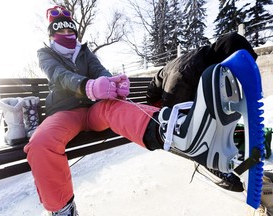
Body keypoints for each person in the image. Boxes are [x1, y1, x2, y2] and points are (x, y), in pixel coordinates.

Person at [24, 6, 250, 216]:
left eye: (68, 27)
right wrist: (88, 86)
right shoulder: (46, 53)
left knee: (115, 109)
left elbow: (99, 69)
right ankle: (62, 209)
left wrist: (112, 82)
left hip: (94, 109)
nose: (66, 32)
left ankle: (168, 130)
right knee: (41, 143)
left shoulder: (84, 51)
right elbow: (58, 75)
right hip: (64, 112)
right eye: (60, 29)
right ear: (52, 33)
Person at [146, 32, 273, 216]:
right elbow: (171, 111)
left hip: (180, 99)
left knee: (221, 125)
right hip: (157, 106)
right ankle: (223, 168)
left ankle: (242, 164)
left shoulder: (209, 63)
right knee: (205, 137)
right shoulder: (186, 72)